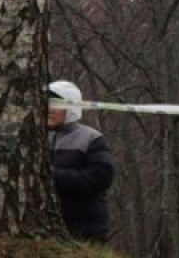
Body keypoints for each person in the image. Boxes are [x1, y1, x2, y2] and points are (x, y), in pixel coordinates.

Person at [46, 80, 115, 243]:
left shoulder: (90, 138)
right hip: (51, 230)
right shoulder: (38, 138)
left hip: (86, 230)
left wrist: (53, 176)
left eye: (56, 103)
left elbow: (101, 178)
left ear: (70, 108)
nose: (49, 109)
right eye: (47, 103)